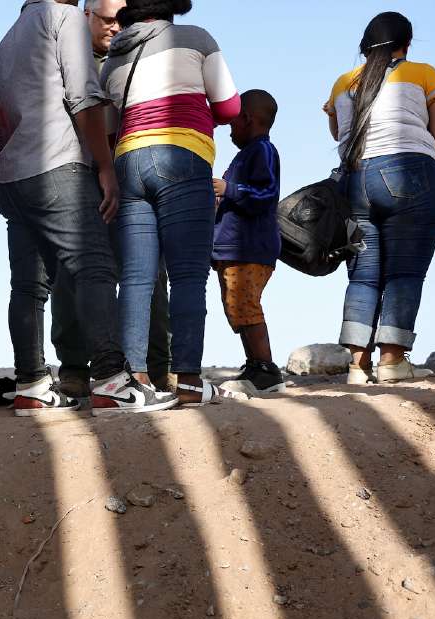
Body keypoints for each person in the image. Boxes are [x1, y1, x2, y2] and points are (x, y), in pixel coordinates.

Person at [0, 0, 178, 417]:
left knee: (28, 287)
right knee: (94, 268)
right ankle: (112, 381)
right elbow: (82, 96)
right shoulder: (65, 19)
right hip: (60, 167)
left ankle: (31, 385)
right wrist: (106, 166)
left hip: (13, 176)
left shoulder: (8, 38)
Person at [100, 0, 241, 406]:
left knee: (137, 279)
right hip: (182, 154)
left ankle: (134, 380)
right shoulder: (195, 38)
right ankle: (190, 381)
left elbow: (110, 128)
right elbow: (231, 108)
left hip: (129, 162)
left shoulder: (114, 58)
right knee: (187, 276)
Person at [324, 12, 435, 384]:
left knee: (362, 277)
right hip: (409, 172)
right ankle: (393, 362)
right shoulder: (422, 72)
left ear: (365, 46)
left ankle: (356, 366)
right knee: (404, 272)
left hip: (355, 180)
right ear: (406, 44)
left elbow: (338, 133)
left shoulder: (343, 82)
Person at [213, 90, 285, 394]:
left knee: (246, 305)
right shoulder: (245, 155)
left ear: (246, 119)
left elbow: (266, 194)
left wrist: (229, 189)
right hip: (232, 250)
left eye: (232, 125)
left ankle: (266, 370)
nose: (230, 131)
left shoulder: (263, 151)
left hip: (250, 248)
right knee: (236, 306)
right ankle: (255, 365)